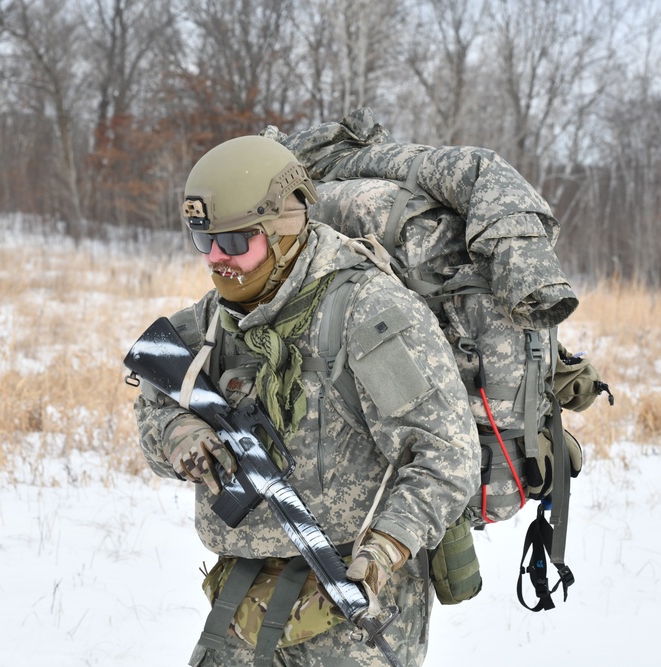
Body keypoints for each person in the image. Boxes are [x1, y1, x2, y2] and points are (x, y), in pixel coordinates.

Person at [131, 134, 480, 667]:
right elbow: (157, 405)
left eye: (236, 241)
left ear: (282, 230)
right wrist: (184, 436)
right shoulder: (211, 324)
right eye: (205, 243)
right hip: (240, 599)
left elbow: (445, 455)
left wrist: (386, 548)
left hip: (351, 604)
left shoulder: (368, 314)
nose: (217, 260)